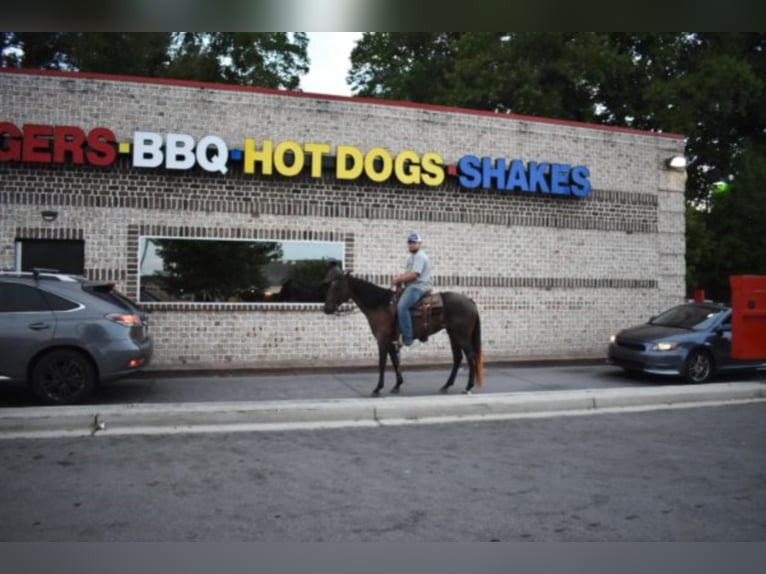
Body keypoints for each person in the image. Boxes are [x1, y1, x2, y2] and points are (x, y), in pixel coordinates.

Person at [392, 232, 432, 346]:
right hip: (412, 286)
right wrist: (400, 278)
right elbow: (408, 274)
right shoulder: (413, 257)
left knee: (402, 307)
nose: (411, 244)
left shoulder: (420, 256)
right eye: (409, 242)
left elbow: (414, 275)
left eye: (414, 242)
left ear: (420, 243)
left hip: (418, 287)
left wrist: (399, 279)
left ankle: (408, 338)